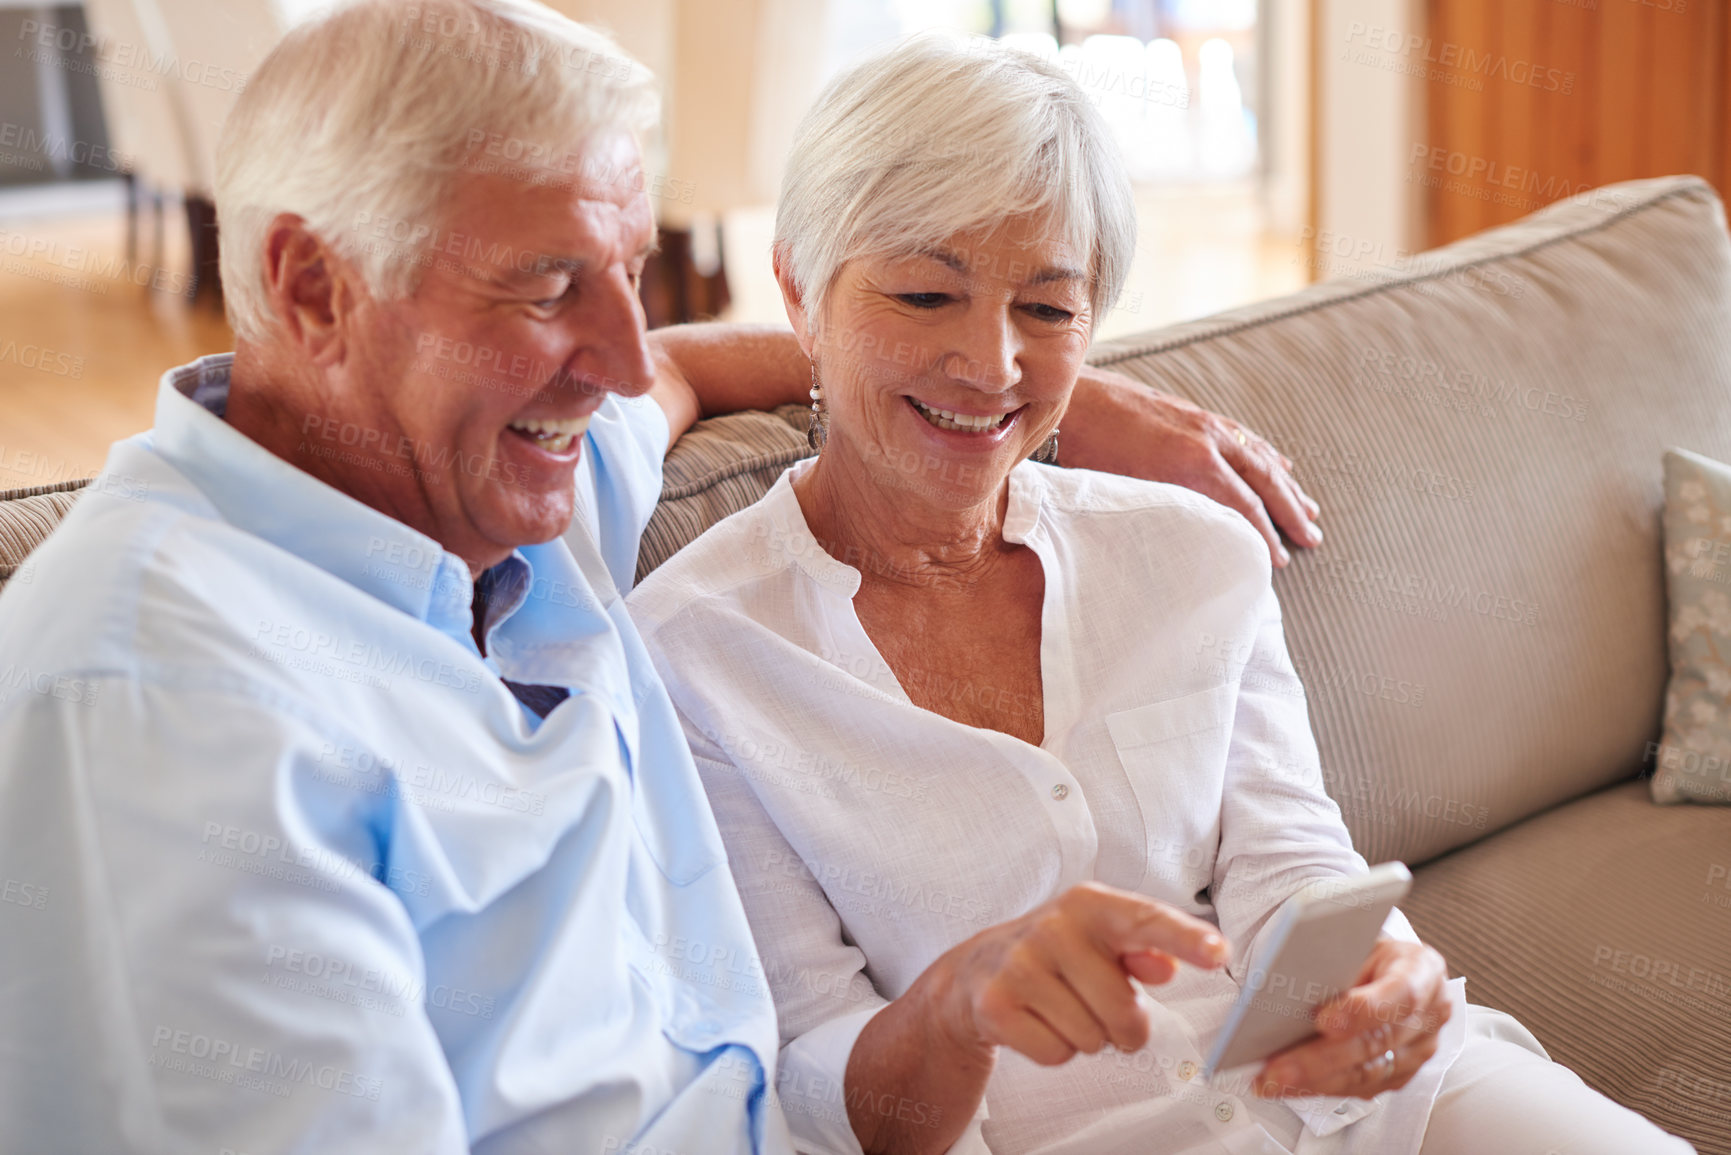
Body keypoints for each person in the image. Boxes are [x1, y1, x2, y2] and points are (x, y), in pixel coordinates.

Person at [0, 2, 1315, 1152]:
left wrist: (1027, 394)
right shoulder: (160, 703)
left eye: (624, 274)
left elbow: (682, 366)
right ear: (311, 286)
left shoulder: (505, 487)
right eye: (549, 287)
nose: (620, 360)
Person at [627, 34, 1699, 1155]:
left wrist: (1388, 972)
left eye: (1047, 311)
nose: (992, 364)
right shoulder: (694, 652)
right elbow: (807, 1082)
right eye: (926, 293)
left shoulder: (1196, 555)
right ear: (800, 290)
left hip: (1357, 1109)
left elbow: (1292, 866)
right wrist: (960, 1004)